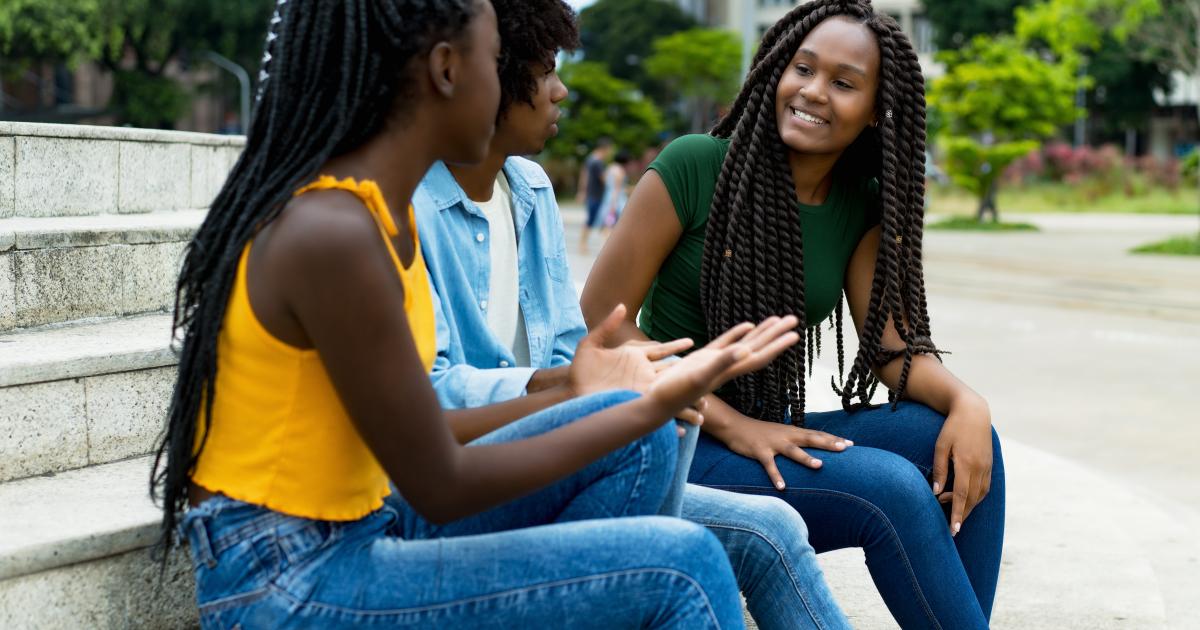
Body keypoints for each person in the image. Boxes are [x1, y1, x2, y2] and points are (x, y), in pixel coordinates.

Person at [150, 1, 799, 627]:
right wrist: (649, 404)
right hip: (283, 581)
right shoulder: (331, 233)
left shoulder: (383, 213)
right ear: (446, 69)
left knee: (633, 440)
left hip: (362, 522)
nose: (514, 81)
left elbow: (427, 424)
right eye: (495, 60)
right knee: (682, 564)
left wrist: (580, 390)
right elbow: (441, 484)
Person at [412, 1, 850, 628]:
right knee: (654, 462)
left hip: (550, 461)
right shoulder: (406, 207)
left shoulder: (531, 191)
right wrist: (591, 389)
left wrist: (631, 376)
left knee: (770, 524)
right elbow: (434, 398)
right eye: (544, 73)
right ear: (477, 77)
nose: (562, 91)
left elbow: (568, 350)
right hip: (466, 481)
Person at [581, 1, 1006, 628]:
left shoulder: (859, 204)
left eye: (842, 82)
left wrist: (970, 405)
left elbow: (891, 351)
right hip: (671, 439)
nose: (812, 91)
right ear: (775, 70)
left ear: (874, 114)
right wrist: (731, 423)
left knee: (960, 442)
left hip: (766, 431)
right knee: (890, 489)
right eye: (802, 69)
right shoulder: (696, 164)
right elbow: (602, 321)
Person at [576, 137, 612, 253]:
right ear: (604, 149)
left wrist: (582, 191)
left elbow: (584, 175)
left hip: (592, 194)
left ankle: (585, 244)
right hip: (597, 196)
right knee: (593, 220)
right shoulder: (597, 162)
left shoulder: (590, 159)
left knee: (598, 221)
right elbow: (604, 180)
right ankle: (583, 244)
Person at [600, 149, 631, 230]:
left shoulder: (610, 168)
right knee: (618, 224)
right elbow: (617, 189)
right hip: (617, 199)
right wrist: (613, 205)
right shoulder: (620, 171)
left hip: (607, 196)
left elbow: (605, 181)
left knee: (608, 222)